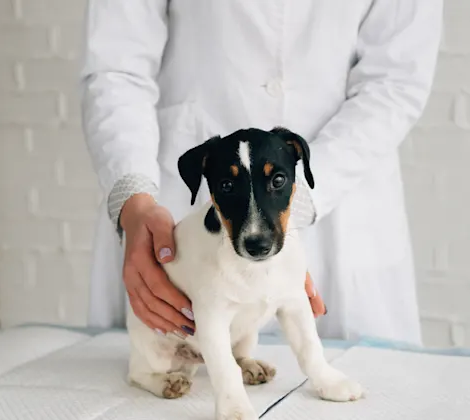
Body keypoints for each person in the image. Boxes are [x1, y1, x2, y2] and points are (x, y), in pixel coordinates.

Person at [80, 0, 443, 346]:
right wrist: (134, 200)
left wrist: (293, 207)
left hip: (345, 211)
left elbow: (395, 80)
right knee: (163, 384)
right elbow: (117, 66)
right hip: (180, 215)